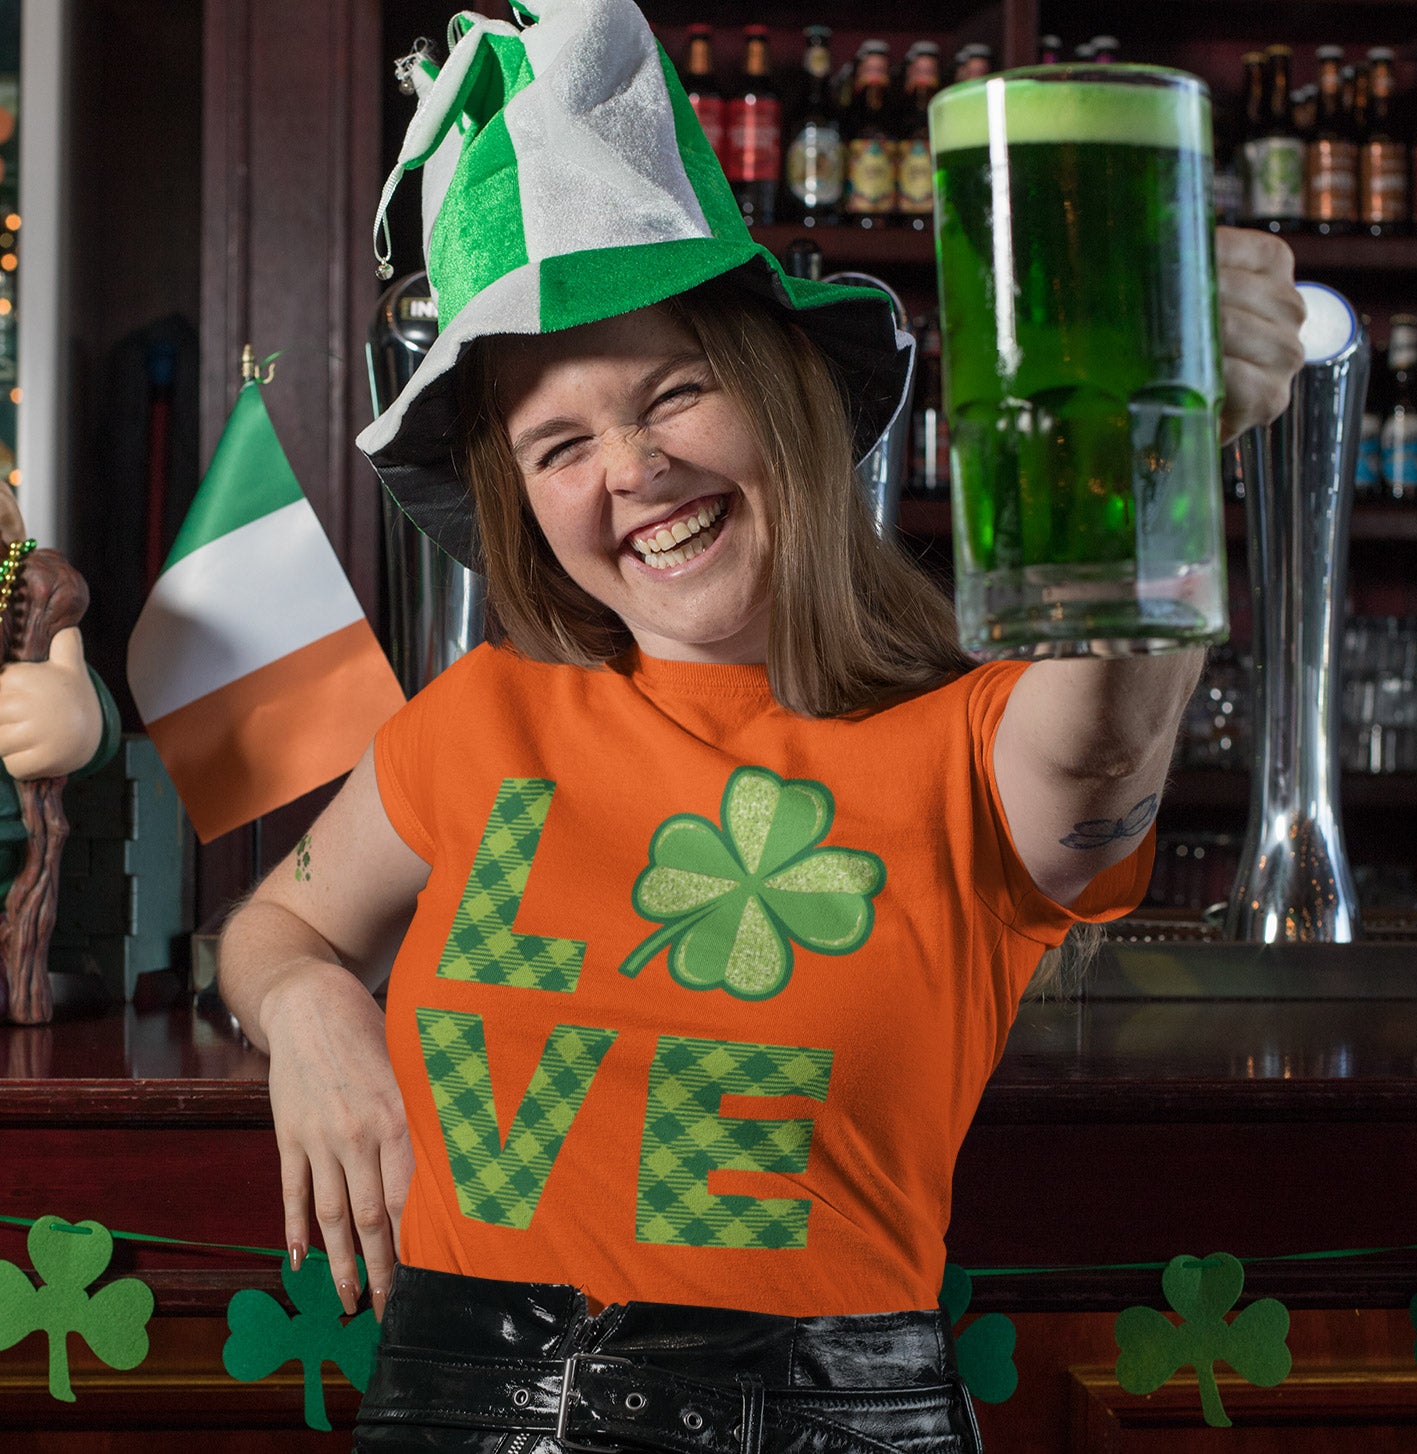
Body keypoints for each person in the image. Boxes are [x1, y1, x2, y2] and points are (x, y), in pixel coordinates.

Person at [218, 3, 1306, 1450]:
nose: (633, 469)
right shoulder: (479, 714)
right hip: (449, 1407)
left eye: (676, 391)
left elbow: (1103, 737)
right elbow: (271, 931)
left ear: (786, 392)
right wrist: (309, 1007)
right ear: (521, 503)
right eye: (560, 444)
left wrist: (1164, 445)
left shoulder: (970, 745)